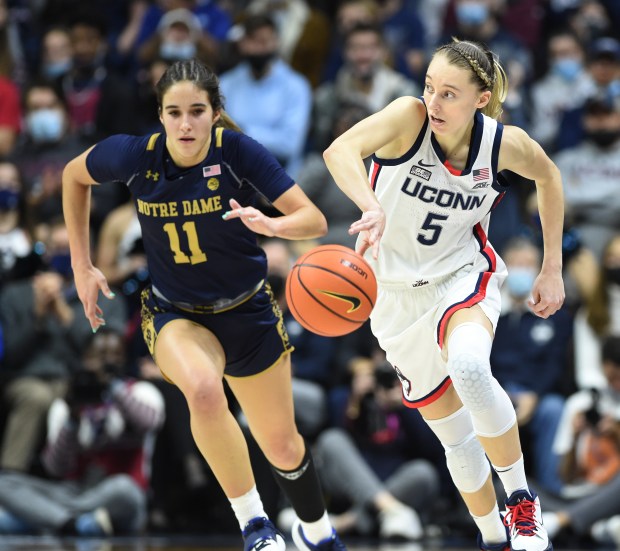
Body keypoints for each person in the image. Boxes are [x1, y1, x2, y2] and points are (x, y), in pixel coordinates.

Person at [62, 58, 345, 551]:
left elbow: (314, 219)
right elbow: (72, 176)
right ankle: (256, 526)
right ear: (161, 115)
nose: (185, 123)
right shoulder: (134, 156)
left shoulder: (237, 151)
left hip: (249, 311)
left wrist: (274, 225)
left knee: (282, 444)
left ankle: (316, 530)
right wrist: (81, 265)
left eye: (197, 111)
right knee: (204, 390)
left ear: (215, 113)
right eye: (174, 112)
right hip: (177, 314)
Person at [322, 38, 566, 551]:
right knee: (454, 435)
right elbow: (338, 150)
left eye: (449, 94)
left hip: (461, 275)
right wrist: (370, 203)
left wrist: (551, 268)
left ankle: (522, 504)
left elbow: (549, 175)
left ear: (481, 99)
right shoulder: (407, 117)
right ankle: (492, 535)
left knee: (472, 368)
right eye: (429, 87)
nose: (433, 102)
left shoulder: (503, 144)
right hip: (391, 297)